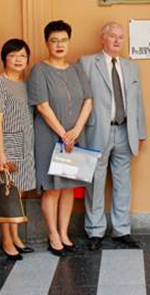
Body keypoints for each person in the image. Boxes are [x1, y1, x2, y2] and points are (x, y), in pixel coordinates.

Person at [79, 22, 147, 251]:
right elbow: (80, 98)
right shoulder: (87, 63)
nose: (118, 41)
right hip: (97, 131)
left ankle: (122, 230)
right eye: (112, 36)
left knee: (122, 183)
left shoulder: (131, 67)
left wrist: (140, 132)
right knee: (95, 182)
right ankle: (95, 230)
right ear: (103, 38)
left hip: (125, 131)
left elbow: (137, 102)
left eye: (121, 37)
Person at [28, 20, 93, 256]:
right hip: (49, 137)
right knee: (52, 188)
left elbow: (88, 101)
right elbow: (42, 106)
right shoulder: (39, 70)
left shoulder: (77, 69)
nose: (59, 44)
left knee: (68, 187)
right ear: (46, 43)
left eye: (63, 40)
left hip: (74, 137)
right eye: (54, 40)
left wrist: (76, 130)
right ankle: (53, 234)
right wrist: (63, 134)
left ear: (69, 41)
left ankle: (64, 233)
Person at [0, 39, 36, 261]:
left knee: (18, 192)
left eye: (22, 56)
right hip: (7, 144)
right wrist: (1, 154)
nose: (18, 60)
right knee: (7, 193)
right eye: (13, 55)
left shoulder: (25, 84)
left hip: (25, 145)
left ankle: (15, 236)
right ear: (4, 58)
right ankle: (6, 240)